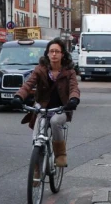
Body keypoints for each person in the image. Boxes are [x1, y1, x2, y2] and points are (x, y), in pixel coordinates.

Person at [11, 37, 80, 169]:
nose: (54, 54)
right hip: (42, 108)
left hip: (61, 108)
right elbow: (28, 84)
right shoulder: (40, 69)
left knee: (55, 122)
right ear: (47, 54)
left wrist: (73, 99)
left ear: (62, 54)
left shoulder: (69, 72)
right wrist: (19, 96)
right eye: (51, 51)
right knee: (37, 137)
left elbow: (74, 87)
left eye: (57, 51)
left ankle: (60, 155)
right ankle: (37, 168)